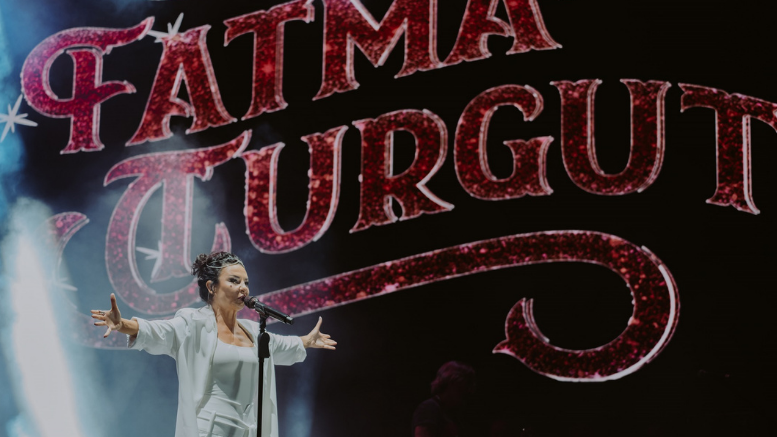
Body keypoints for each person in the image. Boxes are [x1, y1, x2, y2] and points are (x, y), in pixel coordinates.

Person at [91, 251, 336, 437]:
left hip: (249, 430)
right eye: (234, 281)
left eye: (246, 282)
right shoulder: (193, 323)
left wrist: (307, 341)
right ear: (212, 286)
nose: (243, 288)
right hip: (210, 429)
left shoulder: (254, 331)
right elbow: (158, 331)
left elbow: (283, 346)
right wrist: (122, 324)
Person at [412, 361, 477, 437]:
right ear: (453, 382)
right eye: (467, 383)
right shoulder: (429, 408)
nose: (469, 390)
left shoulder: (450, 413)